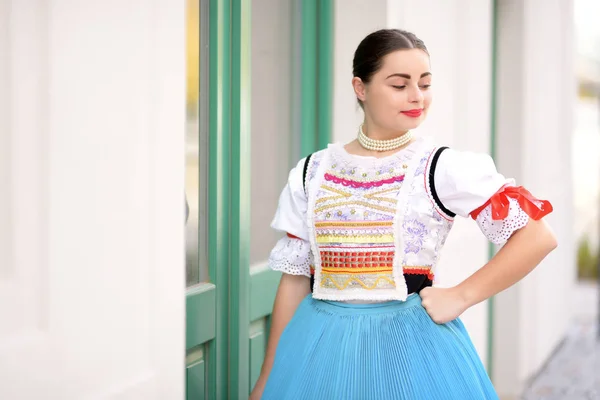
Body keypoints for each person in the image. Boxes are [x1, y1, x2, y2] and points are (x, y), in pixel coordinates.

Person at [249, 29, 557, 400]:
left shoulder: (441, 167)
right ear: (360, 88)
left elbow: (538, 237)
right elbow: (295, 280)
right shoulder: (311, 172)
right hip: (320, 346)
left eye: (425, 84)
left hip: (412, 350)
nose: (417, 97)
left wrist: (461, 295)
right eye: (400, 84)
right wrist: (268, 379)